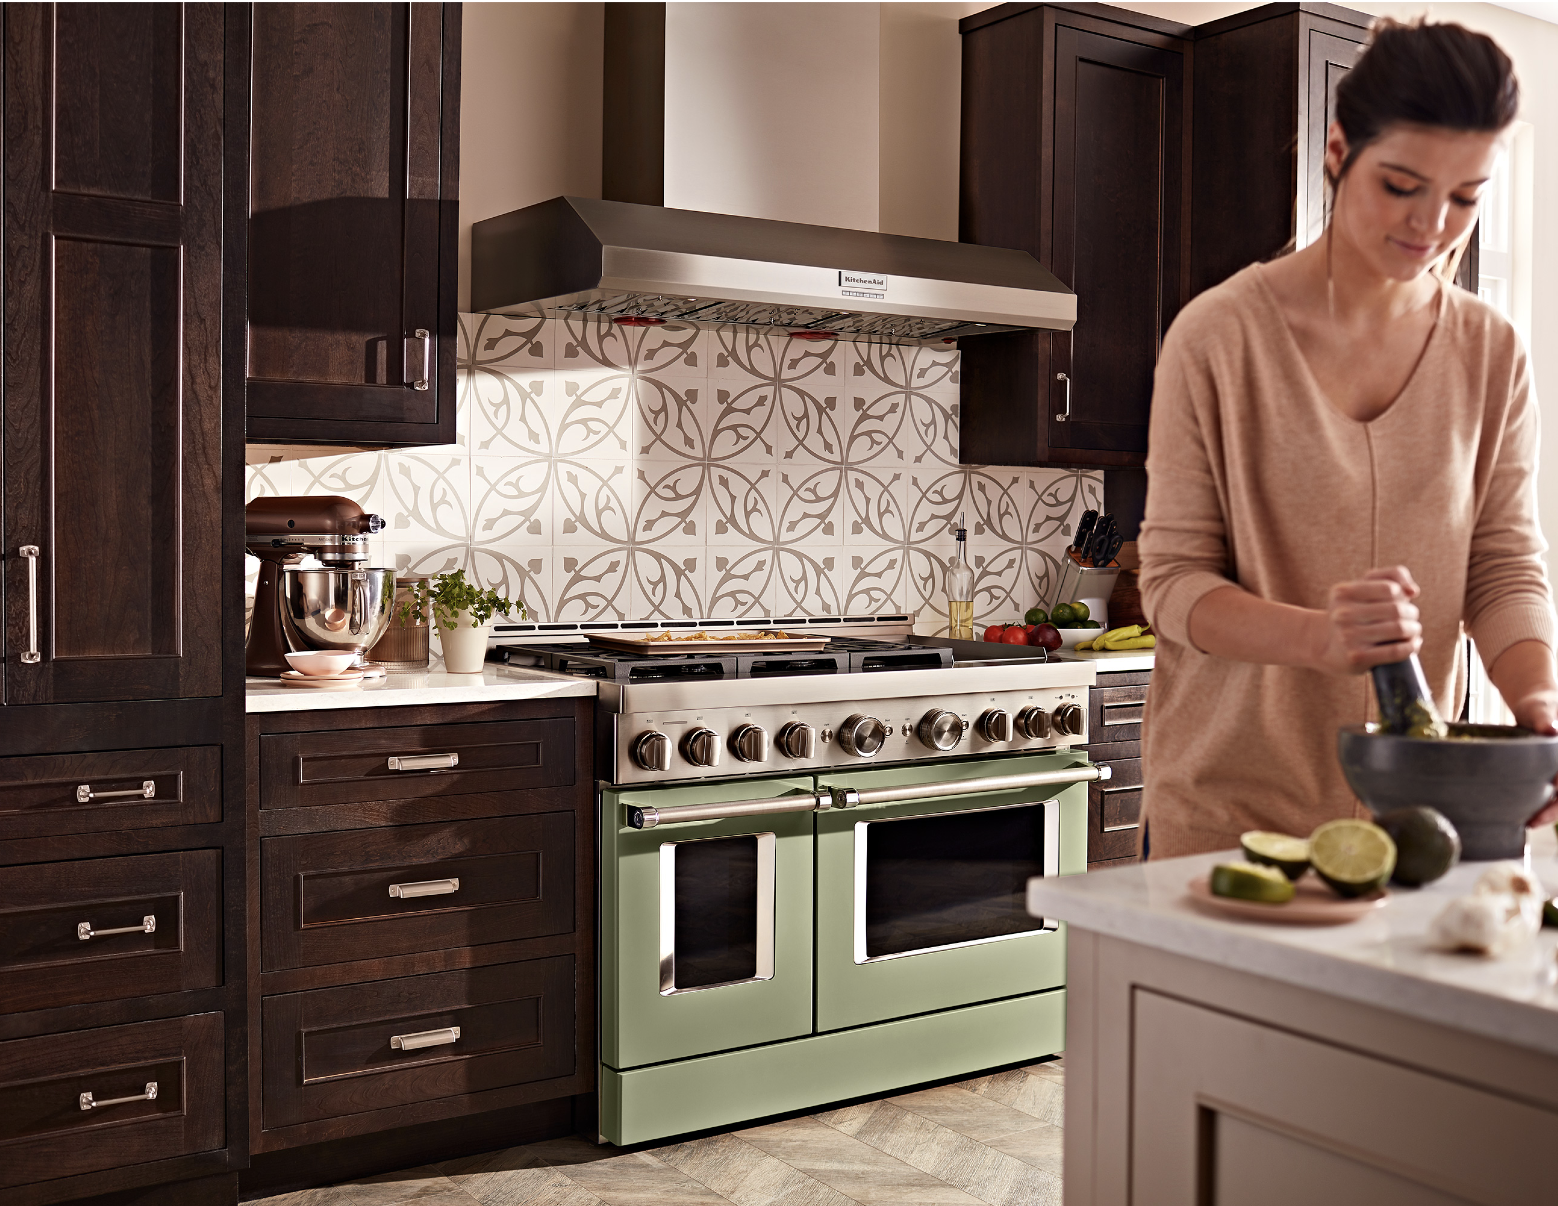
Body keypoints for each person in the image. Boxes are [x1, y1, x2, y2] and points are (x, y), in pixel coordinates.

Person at [1137, 17, 1558, 859]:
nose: (1433, 224)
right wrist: (1318, 641)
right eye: (1402, 185)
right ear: (1337, 150)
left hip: (1424, 825)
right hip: (1229, 823)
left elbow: (1504, 568)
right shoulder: (1218, 335)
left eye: (1466, 197)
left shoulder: (1490, 352)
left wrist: (1540, 710)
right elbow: (1173, 585)